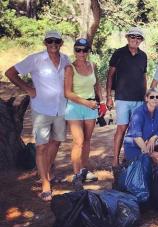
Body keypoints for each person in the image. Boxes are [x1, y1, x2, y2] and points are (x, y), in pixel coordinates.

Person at [5, 30, 70, 201]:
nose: (53, 44)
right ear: (45, 42)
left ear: (61, 43)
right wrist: (27, 89)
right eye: (50, 41)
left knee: (56, 142)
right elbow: (10, 73)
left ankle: (48, 172)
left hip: (61, 108)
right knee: (41, 146)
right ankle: (45, 184)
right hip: (42, 109)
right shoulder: (35, 59)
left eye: (57, 41)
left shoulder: (66, 60)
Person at [64, 38, 106, 191]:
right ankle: (76, 175)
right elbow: (67, 93)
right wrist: (86, 103)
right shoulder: (70, 68)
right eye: (78, 50)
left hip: (91, 107)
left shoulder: (92, 65)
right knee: (78, 141)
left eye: (84, 50)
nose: (81, 53)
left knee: (87, 140)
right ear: (74, 51)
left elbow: (96, 85)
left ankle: (83, 171)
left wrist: (101, 102)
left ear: (89, 51)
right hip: (75, 107)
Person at [105, 27, 147, 174]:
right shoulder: (119, 53)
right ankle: (115, 160)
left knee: (135, 130)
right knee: (121, 129)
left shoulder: (143, 56)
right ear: (127, 38)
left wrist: (146, 96)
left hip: (139, 99)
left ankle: (129, 158)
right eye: (132, 37)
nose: (135, 40)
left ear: (141, 40)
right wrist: (108, 97)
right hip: (122, 98)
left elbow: (144, 77)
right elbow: (110, 75)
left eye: (138, 38)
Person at [123, 88, 158, 164]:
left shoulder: (157, 111)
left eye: (157, 97)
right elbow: (136, 138)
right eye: (152, 97)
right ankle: (148, 159)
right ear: (146, 98)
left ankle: (154, 159)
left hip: (148, 143)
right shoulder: (139, 113)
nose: (155, 99)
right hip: (135, 146)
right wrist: (150, 154)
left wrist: (153, 138)